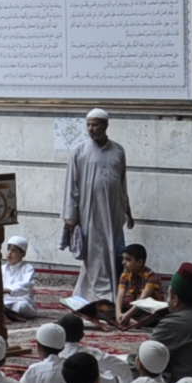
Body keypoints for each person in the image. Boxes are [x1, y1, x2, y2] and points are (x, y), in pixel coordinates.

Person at [60, 109, 132, 302]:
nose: (91, 129)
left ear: (105, 125)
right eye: (89, 125)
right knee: (95, 254)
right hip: (90, 212)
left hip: (113, 212)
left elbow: (122, 183)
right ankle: (100, 296)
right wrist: (71, 216)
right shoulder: (79, 151)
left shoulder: (118, 151)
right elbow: (71, 184)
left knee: (113, 251)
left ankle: (108, 291)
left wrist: (127, 210)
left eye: (95, 125)